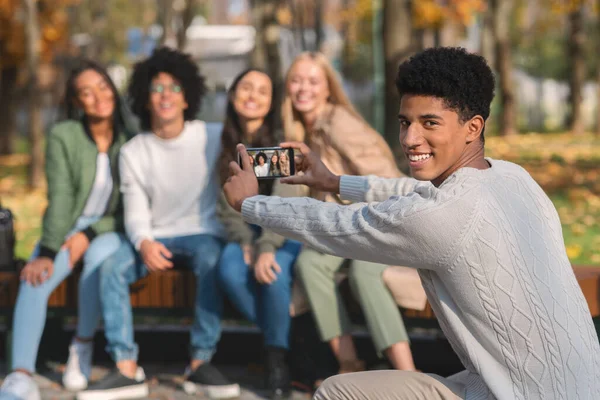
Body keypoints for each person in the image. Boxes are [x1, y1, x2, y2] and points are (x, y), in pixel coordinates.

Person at [223, 47, 600, 399]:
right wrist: (334, 181)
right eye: (405, 122)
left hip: (517, 393)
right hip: (578, 384)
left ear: (473, 127)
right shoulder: (513, 177)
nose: (410, 138)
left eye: (429, 123)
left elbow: (338, 224)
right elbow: (407, 190)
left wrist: (251, 204)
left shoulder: (440, 216)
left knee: (338, 392)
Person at [77, 47, 240, 400]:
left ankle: (200, 364)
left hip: (202, 235)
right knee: (112, 267)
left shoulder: (211, 136)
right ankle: (126, 368)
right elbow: (136, 210)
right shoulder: (135, 151)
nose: (166, 95)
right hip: (154, 236)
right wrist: (144, 243)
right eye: (157, 88)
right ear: (145, 98)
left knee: (213, 260)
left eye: (174, 88)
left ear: (187, 98)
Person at [0, 60, 131, 400]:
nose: (98, 96)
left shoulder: (131, 139)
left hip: (112, 229)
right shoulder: (63, 136)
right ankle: (20, 374)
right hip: (67, 226)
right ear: (76, 102)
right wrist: (46, 251)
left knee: (98, 259)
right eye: (86, 92)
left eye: (102, 86)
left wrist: (88, 236)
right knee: (35, 277)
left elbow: (127, 208)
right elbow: (60, 198)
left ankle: (83, 345)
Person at [282, 51, 416, 380]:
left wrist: (337, 189)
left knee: (363, 273)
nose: (304, 89)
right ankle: (349, 363)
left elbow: (383, 180)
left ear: (329, 87)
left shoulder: (339, 123)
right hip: (346, 229)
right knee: (310, 264)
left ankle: (409, 375)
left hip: (384, 220)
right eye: (297, 80)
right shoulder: (302, 129)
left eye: (313, 81)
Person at [217, 68, 302, 399]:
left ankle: (276, 361)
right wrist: (243, 241)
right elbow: (225, 203)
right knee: (229, 268)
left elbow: (287, 197)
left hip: (284, 229)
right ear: (233, 94)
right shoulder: (223, 141)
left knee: (274, 274)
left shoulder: (280, 141)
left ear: (271, 102)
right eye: (246, 88)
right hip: (244, 230)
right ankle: (287, 341)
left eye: (262, 91)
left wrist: (265, 245)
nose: (253, 96)